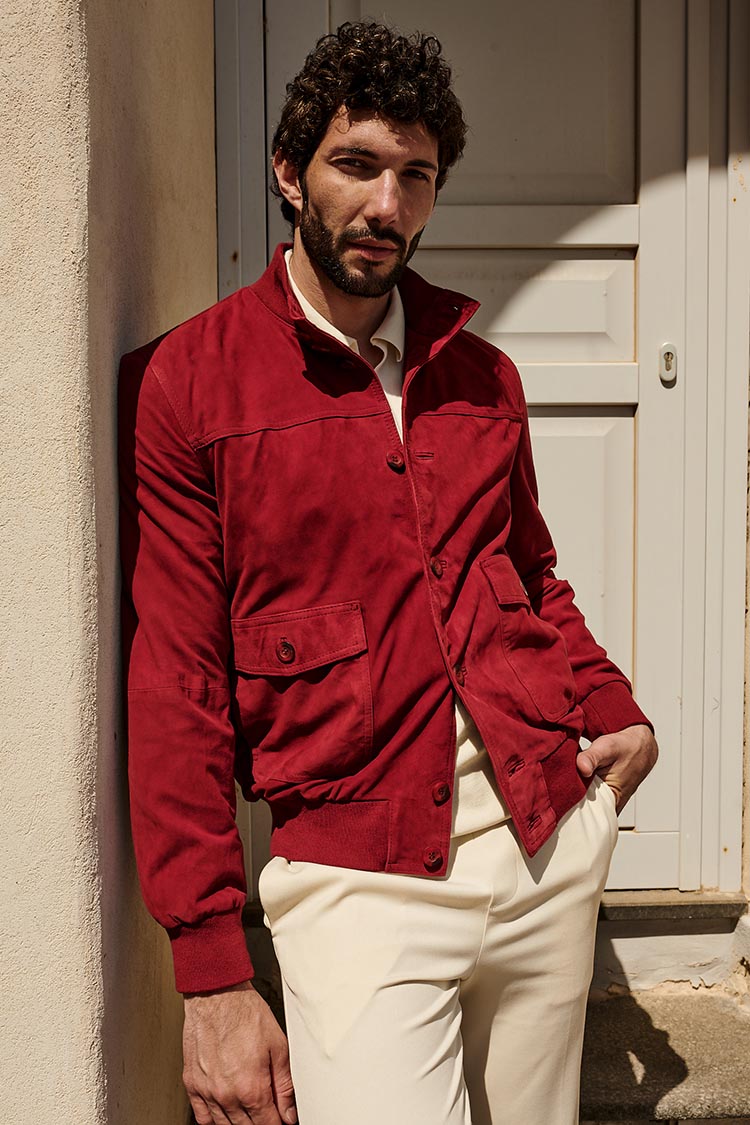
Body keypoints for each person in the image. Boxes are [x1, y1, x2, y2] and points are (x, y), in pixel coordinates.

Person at [118, 21, 658, 1125]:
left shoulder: (481, 373)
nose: (386, 205)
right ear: (289, 171)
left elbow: (528, 574)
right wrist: (212, 971)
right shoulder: (190, 385)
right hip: (355, 879)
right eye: (356, 165)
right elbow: (178, 679)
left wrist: (611, 706)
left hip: (545, 843)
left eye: (416, 176)